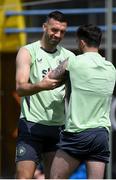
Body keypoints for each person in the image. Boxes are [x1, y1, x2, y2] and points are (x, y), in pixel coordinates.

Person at [48, 24, 116, 179]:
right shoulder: (111, 68)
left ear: (81, 43)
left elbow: (50, 78)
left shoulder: (73, 63)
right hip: (100, 135)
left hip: (76, 134)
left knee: (55, 178)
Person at [15, 10, 76, 179]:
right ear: (44, 27)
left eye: (62, 31)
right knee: (23, 177)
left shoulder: (69, 57)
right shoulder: (27, 51)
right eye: (54, 30)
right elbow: (20, 87)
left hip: (57, 128)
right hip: (31, 125)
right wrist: (41, 85)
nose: (57, 35)